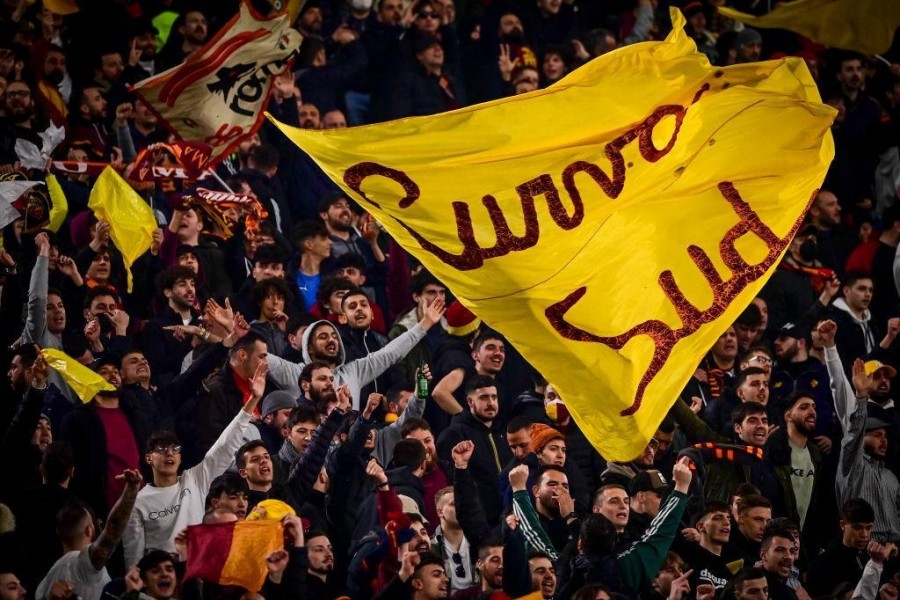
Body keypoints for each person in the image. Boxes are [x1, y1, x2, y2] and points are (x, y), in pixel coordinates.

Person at [123, 324, 266, 566]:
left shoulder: (195, 479)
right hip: (160, 579)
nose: (169, 452)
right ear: (148, 457)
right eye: (161, 449)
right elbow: (133, 563)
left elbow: (225, 444)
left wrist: (252, 400)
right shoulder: (139, 502)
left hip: (197, 572)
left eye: (174, 448)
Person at [819, 319, 900, 541]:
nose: (883, 381)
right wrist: (830, 348)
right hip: (860, 532)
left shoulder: (895, 414)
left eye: (886, 376)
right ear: (861, 379)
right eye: (875, 376)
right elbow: (838, 385)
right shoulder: (856, 410)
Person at [35, 468, 142, 600]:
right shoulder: (83, 565)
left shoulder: (47, 580)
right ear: (89, 530)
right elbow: (113, 528)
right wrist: (132, 489)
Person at [436, 375, 513, 523]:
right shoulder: (454, 434)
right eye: (484, 398)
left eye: (494, 397)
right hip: (476, 519)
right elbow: (449, 480)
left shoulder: (504, 434)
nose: (491, 403)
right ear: (470, 402)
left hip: (508, 517)